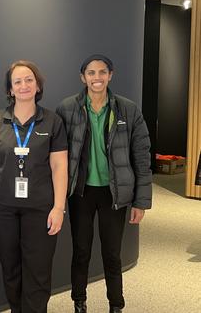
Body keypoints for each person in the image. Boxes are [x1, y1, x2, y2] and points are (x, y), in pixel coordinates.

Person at [56, 54, 152, 313]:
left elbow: (142, 157)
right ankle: (79, 302)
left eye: (102, 72)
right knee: (81, 251)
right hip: (81, 193)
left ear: (110, 75)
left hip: (114, 194)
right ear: (82, 77)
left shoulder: (127, 109)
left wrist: (141, 201)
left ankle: (116, 305)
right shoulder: (67, 108)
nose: (96, 78)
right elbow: (56, 155)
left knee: (112, 254)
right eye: (91, 73)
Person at [0, 60, 68, 313]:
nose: (24, 85)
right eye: (17, 81)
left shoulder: (52, 121)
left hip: (40, 208)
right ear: (10, 89)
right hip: (1, 206)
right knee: (11, 269)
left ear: (38, 85)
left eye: (29, 80)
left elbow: (59, 167)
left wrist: (59, 207)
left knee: (37, 271)